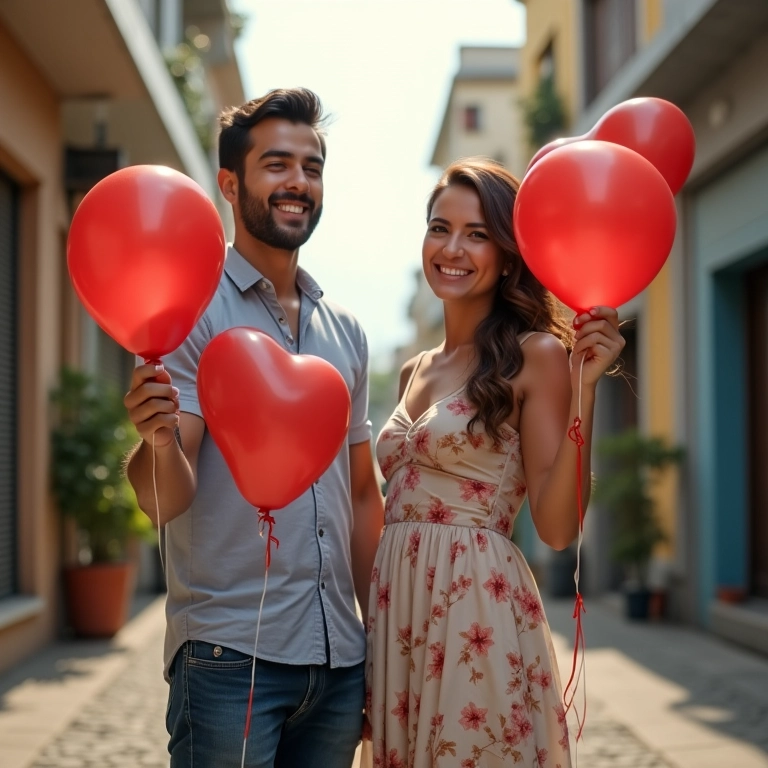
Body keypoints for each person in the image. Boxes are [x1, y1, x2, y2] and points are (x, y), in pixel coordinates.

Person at [123, 88, 384, 768]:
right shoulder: (188, 314)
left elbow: (361, 496)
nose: (299, 181)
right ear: (230, 183)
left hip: (337, 661)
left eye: (312, 166)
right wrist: (153, 437)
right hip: (227, 658)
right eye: (277, 164)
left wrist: (377, 638)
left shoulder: (344, 331)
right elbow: (162, 498)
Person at [363, 158, 625, 767]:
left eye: (477, 233)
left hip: (473, 608)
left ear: (508, 254)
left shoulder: (535, 356)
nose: (452, 248)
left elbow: (557, 529)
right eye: (439, 227)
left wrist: (584, 389)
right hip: (398, 614)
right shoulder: (413, 370)